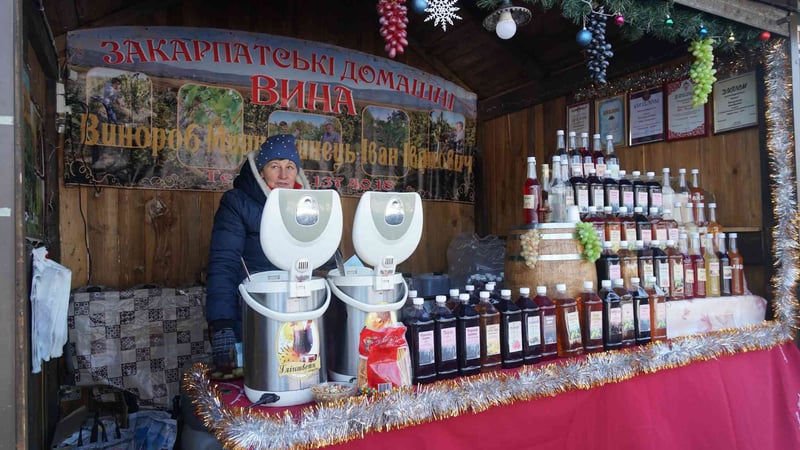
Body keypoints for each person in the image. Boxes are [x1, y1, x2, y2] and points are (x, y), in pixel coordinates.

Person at [206, 133, 310, 370]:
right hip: (253, 314)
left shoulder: (308, 206)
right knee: (261, 377)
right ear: (261, 171)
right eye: (275, 166)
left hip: (302, 314)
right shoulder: (237, 203)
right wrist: (221, 323)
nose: (283, 175)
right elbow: (224, 263)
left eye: (290, 167)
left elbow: (328, 262)